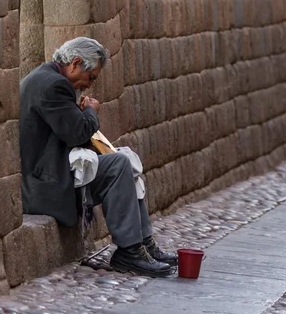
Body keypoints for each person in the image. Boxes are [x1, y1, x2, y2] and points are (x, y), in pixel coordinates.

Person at [19, 37, 177, 277]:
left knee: (124, 158)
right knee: (119, 164)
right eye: (91, 77)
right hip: (46, 183)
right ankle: (129, 251)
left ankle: (143, 244)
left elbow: (70, 131)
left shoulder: (47, 79)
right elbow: (78, 133)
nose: (90, 85)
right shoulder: (53, 85)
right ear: (75, 63)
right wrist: (91, 112)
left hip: (53, 171)